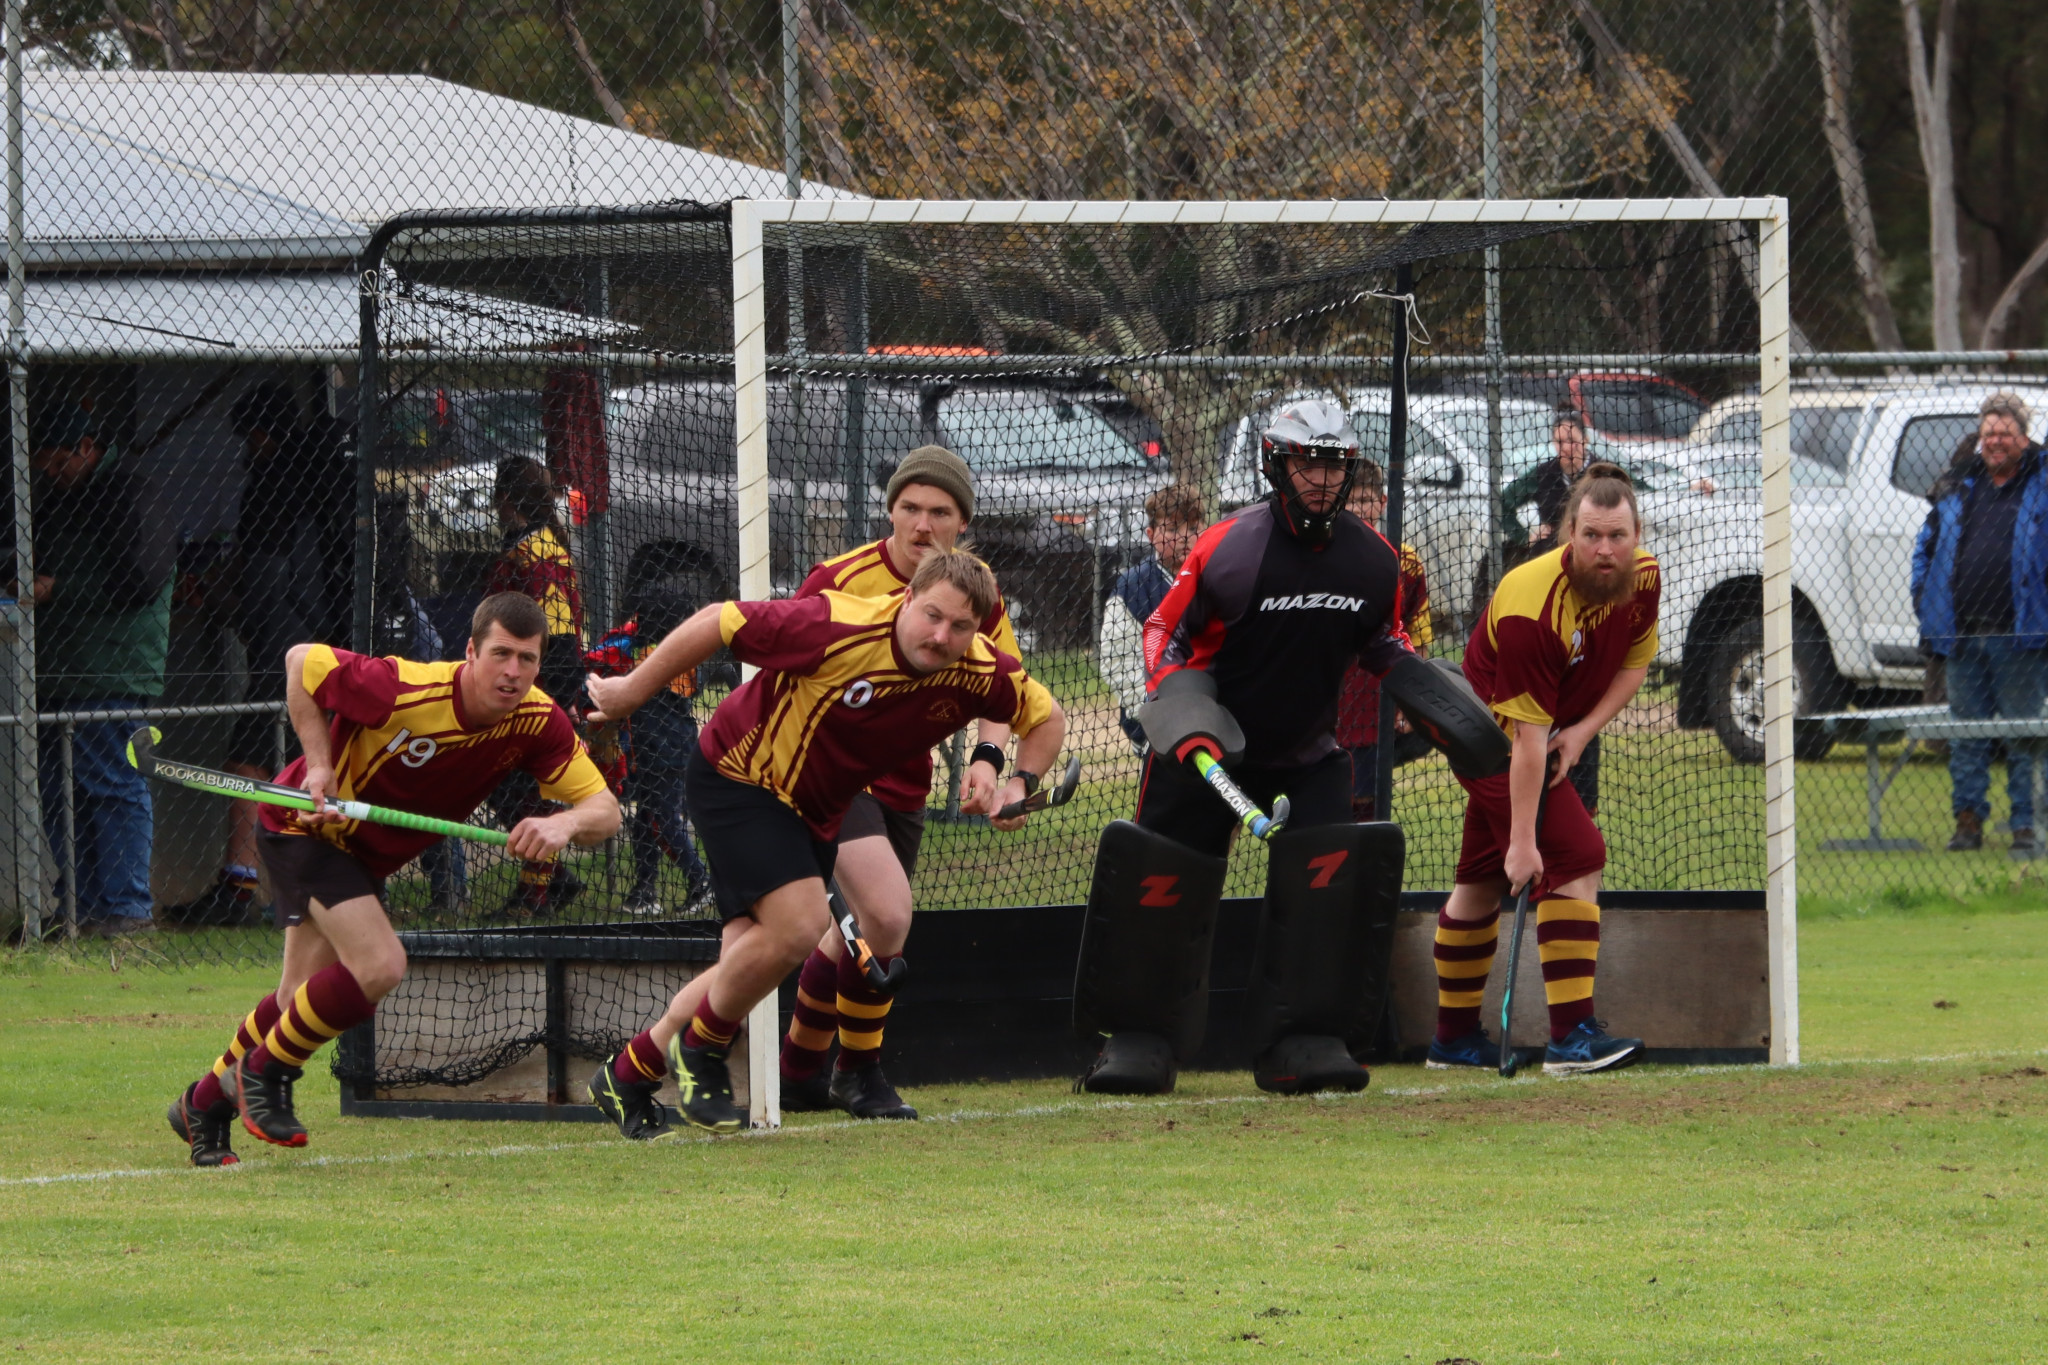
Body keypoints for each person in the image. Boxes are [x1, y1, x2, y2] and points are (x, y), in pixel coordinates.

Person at [581, 548, 1064, 1137]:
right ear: (907, 598)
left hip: (813, 809)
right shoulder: (838, 625)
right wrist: (629, 692)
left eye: (960, 626)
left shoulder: (979, 670)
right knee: (801, 923)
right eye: (932, 615)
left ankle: (628, 1075)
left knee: (747, 962)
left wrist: (1018, 779)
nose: (941, 636)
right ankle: (699, 1053)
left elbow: (1047, 719)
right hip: (739, 777)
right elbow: (718, 619)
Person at [164, 593, 620, 1166]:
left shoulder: (537, 721)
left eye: (527, 660)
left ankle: (202, 1104)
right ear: (470, 651)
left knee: (293, 999)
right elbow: (301, 661)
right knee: (380, 965)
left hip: (362, 856)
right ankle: (267, 1071)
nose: (513, 672)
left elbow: (605, 812)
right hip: (305, 828)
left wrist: (564, 825)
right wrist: (321, 765)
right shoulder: (404, 687)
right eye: (500, 654)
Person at [1077, 397, 1419, 1095]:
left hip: (1308, 755)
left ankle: (1301, 1040)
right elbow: (1164, 636)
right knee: (1160, 890)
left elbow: (1386, 641)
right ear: (1276, 463)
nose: (1322, 478)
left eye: (1334, 463)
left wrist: (1431, 696)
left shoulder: (1373, 561)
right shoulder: (1227, 548)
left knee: (1324, 899)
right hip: (1204, 755)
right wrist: (1186, 710)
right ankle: (1141, 1038)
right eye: (1308, 462)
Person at [773, 445, 1023, 1119]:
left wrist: (988, 764)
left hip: (903, 782)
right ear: (890, 510)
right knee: (883, 916)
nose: (922, 524)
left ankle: (798, 1072)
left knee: (857, 930)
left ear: (961, 524)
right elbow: (778, 675)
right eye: (909, 508)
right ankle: (859, 1073)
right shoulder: (837, 577)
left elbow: (1004, 700)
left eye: (939, 511)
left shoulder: (978, 592)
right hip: (829, 779)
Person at [1429, 461, 1657, 1076]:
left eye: (1618, 536)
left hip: (1550, 728)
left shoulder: (1644, 578)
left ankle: (1451, 1043)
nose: (1605, 550)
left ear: (1637, 534)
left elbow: (1635, 662)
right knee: (1577, 855)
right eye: (1591, 535)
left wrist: (1583, 732)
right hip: (1486, 731)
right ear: (1567, 534)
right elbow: (1525, 742)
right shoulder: (1535, 605)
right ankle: (1570, 1039)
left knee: (1478, 882)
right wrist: (1526, 845)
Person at [167, 382, 353, 926]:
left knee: (249, 759)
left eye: (251, 435)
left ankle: (241, 886)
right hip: (328, 642)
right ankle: (317, 886)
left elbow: (264, 578)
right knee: (321, 763)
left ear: (262, 433)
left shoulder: (276, 482)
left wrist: (220, 596)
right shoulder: (326, 475)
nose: (248, 447)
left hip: (286, 649)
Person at [29, 401, 176, 937]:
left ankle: (126, 908)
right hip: (64, 669)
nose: (49, 473)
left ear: (86, 449)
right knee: (60, 790)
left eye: (56, 462)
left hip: (111, 668)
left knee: (112, 783)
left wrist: (57, 590)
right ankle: (83, 907)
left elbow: (141, 581)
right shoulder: (64, 498)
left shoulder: (132, 491)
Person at [1912, 392, 2048, 854]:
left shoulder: (2042, 484)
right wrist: (1924, 601)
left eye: (2005, 433)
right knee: (1967, 737)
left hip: (2020, 638)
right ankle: (1967, 824)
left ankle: (2025, 828)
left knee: (2023, 736)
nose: (1995, 441)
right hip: (1963, 637)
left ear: (2024, 440)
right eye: (1988, 433)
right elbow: (1925, 549)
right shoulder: (1958, 485)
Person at [582, 543, 713, 916]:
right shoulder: (672, 653)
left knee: (661, 820)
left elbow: (602, 660)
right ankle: (645, 891)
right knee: (646, 821)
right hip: (660, 748)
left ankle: (700, 880)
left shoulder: (649, 656)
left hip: (665, 751)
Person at [483, 457, 588, 916]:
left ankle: (537, 892)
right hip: (525, 690)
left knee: (518, 790)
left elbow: (561, 636)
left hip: (537, 693)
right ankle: (551, 880)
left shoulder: (539, 554)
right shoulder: (529, 547)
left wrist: (553, 698)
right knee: (505, 786)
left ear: (507, 500)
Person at [1335, 461, 1432, 821]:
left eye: (1365, 499)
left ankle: (1364, 877)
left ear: (1382, 502)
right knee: (1326, 806)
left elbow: (1418, 637)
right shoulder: (1320, 555)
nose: (1359, 508)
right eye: (1350, 500)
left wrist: (1410, 701)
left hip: (1377, 708)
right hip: (1328, 709)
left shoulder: (1404, 562)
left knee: (1369, 811)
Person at [1099, 483, 1205, 753]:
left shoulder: (1217, 575)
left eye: (1193, 528)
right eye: (1172, 529)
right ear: (1151, 534)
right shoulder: (1133, 588)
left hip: (1212, 717)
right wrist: (1155, 717)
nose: (1184, 538)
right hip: (1156, 729)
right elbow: (1118, 663)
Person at [1500, 407, 1592, 562]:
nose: (1566, 448)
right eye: (1560, 442)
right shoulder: (1543, 474)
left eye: (1572, 441)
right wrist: (1524, 537)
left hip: (1592, 553)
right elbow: (1502, 503)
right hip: (1551, 556)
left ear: (1585, 440)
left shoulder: (1603, 471)